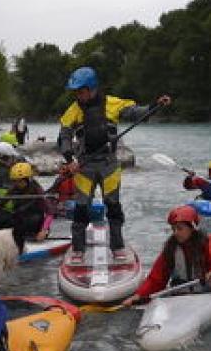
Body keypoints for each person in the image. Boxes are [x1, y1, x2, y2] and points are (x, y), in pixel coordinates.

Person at [57, 66, 171, 263]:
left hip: (109, 165)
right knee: (81, 209)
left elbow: (136, 112)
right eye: (75, 91)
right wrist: (70, 159)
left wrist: (155, 105)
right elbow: (64, 136)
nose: (78, 95)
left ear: (91, 88)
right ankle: (78, 249)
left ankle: (117, 247)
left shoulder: (112, 103)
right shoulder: (73, 110)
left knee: (113, 207)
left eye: (80, 90)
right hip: (84, 167)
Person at [121, 205, 211, 307]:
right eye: (173, 229)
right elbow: (156, 279)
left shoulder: (208, 247)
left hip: (205, 294)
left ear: (192, 228)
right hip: (179, 296)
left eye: (180, 228)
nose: (175, 233)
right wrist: (139, 295)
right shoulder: (171, 248)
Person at [0, 162, 54, 250]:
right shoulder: (14, 188)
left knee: (32, 218)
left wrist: (44, 230)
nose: (17, 183)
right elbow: (0, 203)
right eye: (15, 181)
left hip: (35, 224)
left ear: (28, 179)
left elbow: (50, 212)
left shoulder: (37, 191)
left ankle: (27, 236)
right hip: (20, 219)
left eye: (20, 181)